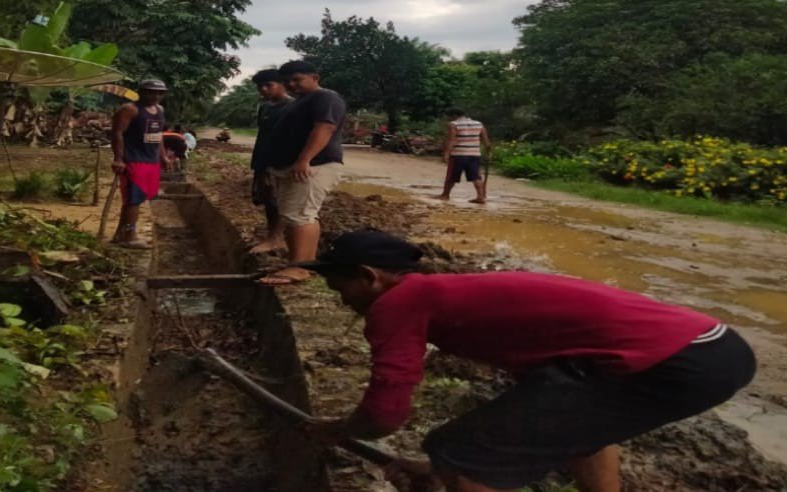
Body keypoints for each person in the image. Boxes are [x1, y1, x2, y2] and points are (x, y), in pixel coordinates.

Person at [302, 231, 756, 492]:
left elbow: (386, 413)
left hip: (678, 361)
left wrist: (339, 429)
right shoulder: (450, 296)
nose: (342, 302)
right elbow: (553, 402)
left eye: (339, 289)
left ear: (368, 277)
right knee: (576, 425)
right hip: (717, 349)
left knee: (459, 451)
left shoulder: (399, 303)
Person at [258, 60, 346, 286]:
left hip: (314, 165)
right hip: (293, 167)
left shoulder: (325, 97)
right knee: (293, 215)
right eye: (287, 82)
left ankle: (300, 268)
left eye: (297, 79)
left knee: (301, 215)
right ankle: (299, 263)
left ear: (315, 77)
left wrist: (304, 159)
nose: (292, 85)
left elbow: (325, 128)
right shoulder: (299, 102)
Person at [109, 79, 172, 249]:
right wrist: (119, 158)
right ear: (141, 92)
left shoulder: (159, 110)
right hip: (134, 160)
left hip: (151, 160)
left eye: (159, 93)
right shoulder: (130, 110)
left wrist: (163, 156)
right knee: (133, 200)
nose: (155, 96)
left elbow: (158, 135)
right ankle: (130, 236)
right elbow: (117, 134)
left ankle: (120, 235)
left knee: (137, 199)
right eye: (151, 92)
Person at [248, 68, 293, 254]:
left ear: (282, 85)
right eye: (260, 86)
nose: (264, 89)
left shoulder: (293, 107)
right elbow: (263, 136)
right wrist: (259, 166)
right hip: (263, 160)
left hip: (282, 162)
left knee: (280, 201)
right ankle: (273, 236)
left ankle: (277, 238)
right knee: (267, 199)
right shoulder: (265, 107)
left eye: (269, 85)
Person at [435, 108, 490, 204]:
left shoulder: (453, 124)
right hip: (474, 154)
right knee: (476, 176)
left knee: (451, 176)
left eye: (449, 117)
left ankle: (445, 195)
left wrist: (446, 154)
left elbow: (451, 139)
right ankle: (481, 197)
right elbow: (486, 141)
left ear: (454, 115)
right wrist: (489, 152)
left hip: (458, 154)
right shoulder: (478, 124)